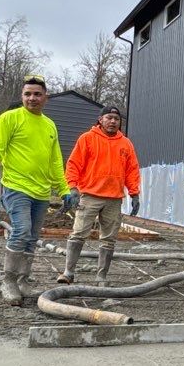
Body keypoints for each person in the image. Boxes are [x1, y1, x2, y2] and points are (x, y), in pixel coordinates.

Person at [0, 76, 73, 306]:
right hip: (16, 187)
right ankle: (8, 281)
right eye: (27, 94)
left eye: (37, 94)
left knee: (31, 237)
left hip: (41, 192)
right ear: (22, 96)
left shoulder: (49, 125)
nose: (32, 98)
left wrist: (64, 189)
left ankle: (23, 280)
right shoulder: (10, 118)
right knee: (21, 230)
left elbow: (55, 161)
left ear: (45, 97)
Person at [57, 104, 142, 287]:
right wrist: (72, 188)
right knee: (78, 234)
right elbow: (73, 164)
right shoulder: (87, 139)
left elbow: (132, 170)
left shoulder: (126, 144)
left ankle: (101, 277)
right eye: (109, 118)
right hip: (89, 195)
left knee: (109, 239)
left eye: (116, 119)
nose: (112, 121)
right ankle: (68, 272)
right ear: (101, 120)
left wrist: (134, 193)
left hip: (114, 199)